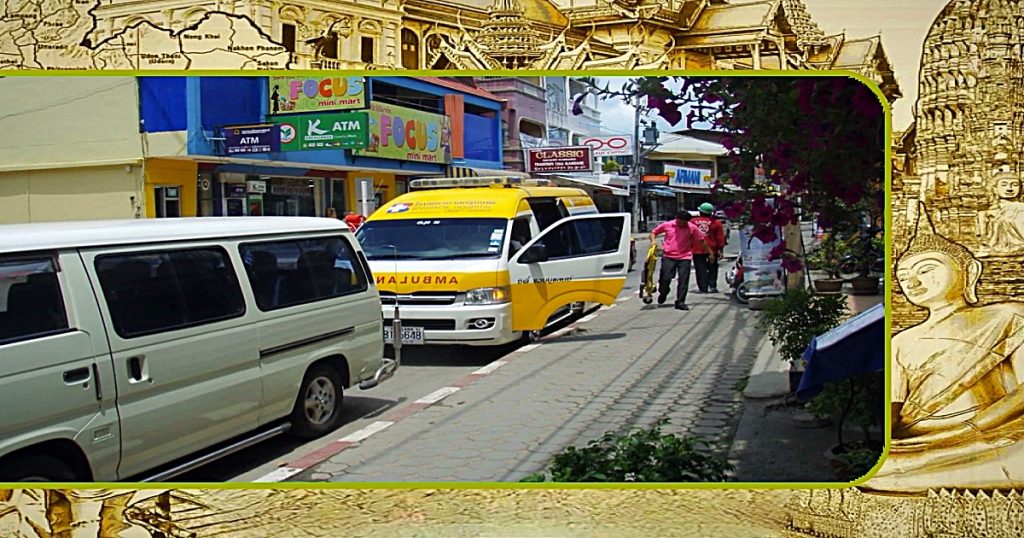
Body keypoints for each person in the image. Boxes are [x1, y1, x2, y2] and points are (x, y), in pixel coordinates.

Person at [864, 202, 1024, 493]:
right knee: (881, 470)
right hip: (921, 443)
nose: (913, 282)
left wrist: (974, 427)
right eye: (904, 278)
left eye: (926, 270)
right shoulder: (901, 341)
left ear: (969, 271)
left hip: (993, 435)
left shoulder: (1009, 316)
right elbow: (894, 408)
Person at [649, 210, 715, 311]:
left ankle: (680, 301)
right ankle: (663, 292)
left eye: (684, 222)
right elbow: (654, 232)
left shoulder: (692, 228)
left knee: (683, 280)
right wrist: (653, 241)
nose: (682, 224)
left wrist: (710, 253)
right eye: (680, 221)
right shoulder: (668, 225)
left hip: (685, 257)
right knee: (665, 278)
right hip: (668, 256)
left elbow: (701, 240)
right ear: (677, 218)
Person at [691, 202, 727, 293]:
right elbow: (720, 238)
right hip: (712, 249)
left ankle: (703, 287)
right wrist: (721, 250)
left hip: (697, 249)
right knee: (712, 268)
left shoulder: (692, 222)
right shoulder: (716, 223)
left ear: (699, 212)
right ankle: (712, 285)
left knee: (700, 269)